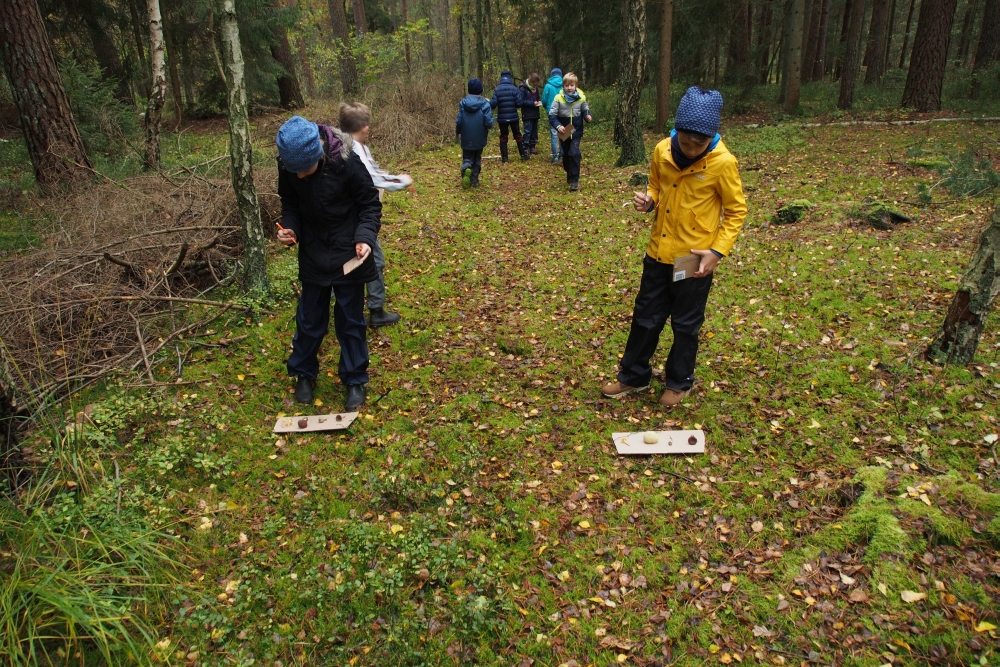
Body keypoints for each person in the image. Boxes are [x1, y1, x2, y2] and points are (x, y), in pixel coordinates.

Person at [600, 87, 748, 408]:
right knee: (645, 317)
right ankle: (634, 376)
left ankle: (679, 382)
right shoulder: (662, 151)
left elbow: (736, 212)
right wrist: (649, 199)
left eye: (699, 142)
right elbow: (656, 183)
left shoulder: (722, 163)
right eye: (686, 140)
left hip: (691, 259)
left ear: (711, 136)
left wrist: (716, 252)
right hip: (658, 253)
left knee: (685, 323)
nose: (692, 148)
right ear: (676, 130)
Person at [275, 115, 381, 411]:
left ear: (319, 155)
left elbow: (370, 205)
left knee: (350, 319)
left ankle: (355, 379)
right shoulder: (289, 164)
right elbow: (290, 203)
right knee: (309, 318)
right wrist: (290, 228)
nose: (298, 177)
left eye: (303, 170)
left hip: (349, 249)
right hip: (313, 250)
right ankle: (303, 374)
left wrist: (364, 238)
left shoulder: (346, 161)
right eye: (292, 171)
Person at [339, 102, 410, 328]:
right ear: (364, 127)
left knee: (350, 260)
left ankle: (348, 307)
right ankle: (376, 311)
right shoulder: (356, 149)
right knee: (374, 261)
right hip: (360, 220)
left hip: (343, 217)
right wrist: (402, 181)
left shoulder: (340, 145)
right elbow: (374, 180)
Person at [547, 72, 591, 191]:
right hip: (564, 131)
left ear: (576, 85)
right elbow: (552, 116)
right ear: (563, 86)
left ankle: (575, 180)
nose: (569, 88)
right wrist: (558, 126)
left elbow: (585, 110)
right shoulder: (558, 98)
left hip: (576, 130)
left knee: (574, 153)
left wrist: (587, 116)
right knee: (565, 155)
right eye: (567, 85)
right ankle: (569, 172)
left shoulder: (581, 97)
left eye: (571, 85)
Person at [456, 78, 493, 188]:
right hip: (480, 136)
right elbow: (488, 122)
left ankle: (466, 168)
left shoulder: (463, 104)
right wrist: (489, 125)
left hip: (466, 136)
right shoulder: (485, 104)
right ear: (480, 90)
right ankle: (474, 179)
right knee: (477, 157)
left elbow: (459, 120)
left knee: (467, 156)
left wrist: (458, 131)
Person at [489, 69, 525, 162]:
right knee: (518, 135)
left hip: (502, 118)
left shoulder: (497, 89)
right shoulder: (514, 88)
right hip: (513, 117)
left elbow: (493, 104)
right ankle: (523, 155)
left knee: (503, 136)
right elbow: (519, 103)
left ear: (501, 78)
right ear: (510, 78)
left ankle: (505, 158)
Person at [541, 68, 563, 163]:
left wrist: (547, 108)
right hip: (563, 112)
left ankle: (555, 157)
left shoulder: (548, 86)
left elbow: (544, 101)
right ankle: (562, 154)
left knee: (554, 134)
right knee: (563, 133)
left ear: (552, 75)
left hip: (552, 113)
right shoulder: (565, 84)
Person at [518, 73, 543, 156]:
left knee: (534, 131)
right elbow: (521, 101)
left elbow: (538, 97)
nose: (536, 85)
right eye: (534, 84)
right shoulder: (523, 89)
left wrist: (539, 102)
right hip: (527, 113)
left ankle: (532, 146)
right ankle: (525, 147)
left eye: (537, 84)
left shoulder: (536, 89)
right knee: (527, 130)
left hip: (535, 112)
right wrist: (532, 103)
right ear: (531, 81)